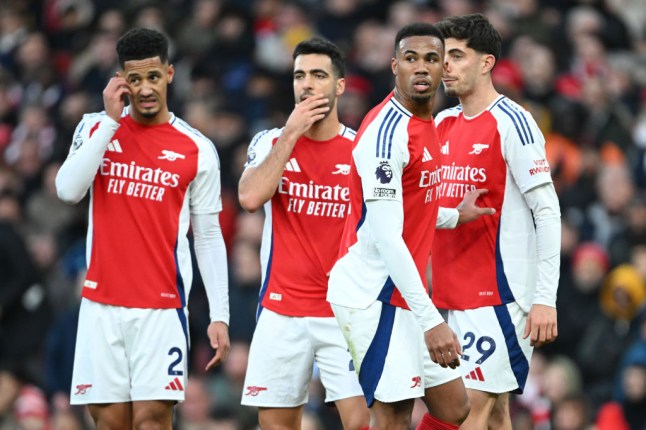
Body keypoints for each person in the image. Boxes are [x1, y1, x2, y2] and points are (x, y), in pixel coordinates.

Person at [55, 28, 230, 429]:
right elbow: (67, 190)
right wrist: (110, 124)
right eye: (135, 79)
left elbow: (206, 234)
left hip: (162, 306)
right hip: (102, 304)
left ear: (169, 73)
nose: (146, 88)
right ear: (121, 81)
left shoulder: (197, 148)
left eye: (153, 76)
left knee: (152, 420)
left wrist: (219, 314)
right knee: (110, 422)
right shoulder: (95, 128)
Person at [327, 22, 492, 430]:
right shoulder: (386, 136)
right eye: (411, 59)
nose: (422, 68)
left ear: (443, 69)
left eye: (432, 59)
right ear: (394, 66)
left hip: (403, 293)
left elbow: (408, 207)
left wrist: (453, 215)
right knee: (393, 417)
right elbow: (387, 235)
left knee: (454, 408)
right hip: (373, 295)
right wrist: (432, 319)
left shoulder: (425, 123)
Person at [431, 14, 562, 430]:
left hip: (499, 296)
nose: (444, 66)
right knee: (495, 414)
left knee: (469, 410)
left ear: (486, 62)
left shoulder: (514, 123)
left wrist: (544, 298)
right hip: (450, 296)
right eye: (441, 56)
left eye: (456, 56)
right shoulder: (441, 124)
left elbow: (548, 211)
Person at [238, 37, 370, 430]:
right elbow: (248, 197)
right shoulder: (269, 141)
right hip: (281, 310)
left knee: (361, 422)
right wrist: (290, 134)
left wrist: (449, 215)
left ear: (339, 86)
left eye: (318, 75)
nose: (307, 85)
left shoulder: (361, 149)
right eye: (300, 76)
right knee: (276, 424)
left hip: (342, 312)